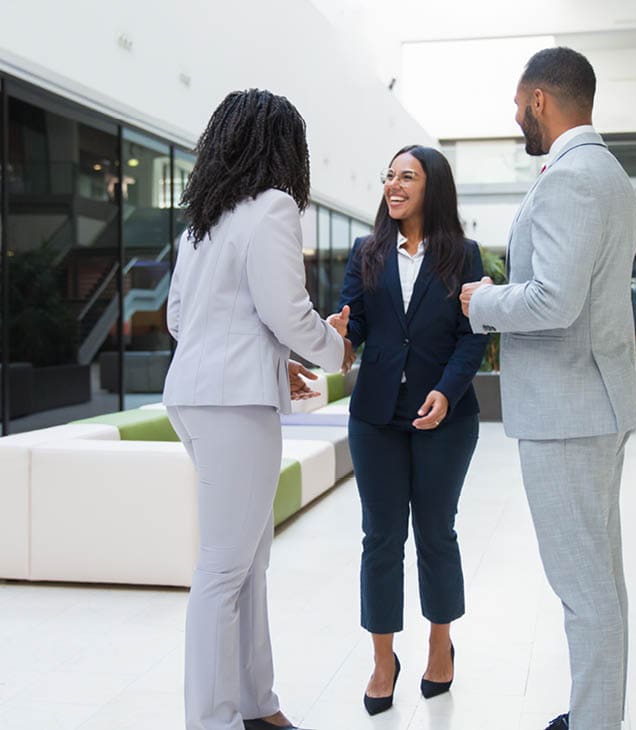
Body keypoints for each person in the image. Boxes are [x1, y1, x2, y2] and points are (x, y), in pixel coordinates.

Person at [460, 48, 636, 730]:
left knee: (583, 587)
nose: (517, 120)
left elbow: (552, 302)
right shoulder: (606, 174)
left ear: (540, 99)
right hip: (592, 400)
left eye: (518, 106)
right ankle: (596, 713)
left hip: (568, 410)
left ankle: (595, 722)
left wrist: (482, 301)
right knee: (600, 579)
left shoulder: (572, 178)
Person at [163, 88, 353, 730]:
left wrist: (277, 360)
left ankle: (256, 703)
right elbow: (287, 311)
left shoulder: (203, 221)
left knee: (248, 557)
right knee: (224, 565)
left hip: (194, 395)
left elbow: (180, 319)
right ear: (283, 147)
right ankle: (213, 720)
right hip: (234, 403)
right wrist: (335, 351)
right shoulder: (272, 208)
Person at [330, 145, 487, 716]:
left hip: (446, 417)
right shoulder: (365, 252)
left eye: (407, 177)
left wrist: (446, 392)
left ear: (432, 187)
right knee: (381, 537)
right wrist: (339, 334)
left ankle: (440, 645)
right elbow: (354, 332)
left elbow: (475, 334)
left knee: (436, 534)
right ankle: (381, 659)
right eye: (389, 176)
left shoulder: (464, 255)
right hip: (376, 419)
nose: (393, 186)